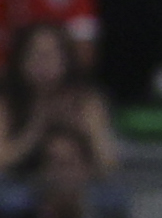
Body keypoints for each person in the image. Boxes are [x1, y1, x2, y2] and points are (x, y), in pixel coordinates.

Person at [2, 20, 119, 182]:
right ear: (20, 59)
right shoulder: (7, 103)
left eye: (51, 54)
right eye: (35, 53)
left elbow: (108, 162)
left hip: (78, 192)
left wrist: (83, 129)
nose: (42, 63)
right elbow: (3, 160)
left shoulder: (86, 101)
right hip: (18, 191)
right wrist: (35, 127)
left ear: (66, 59)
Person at [0, 118, 132, 218]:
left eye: (68, 164)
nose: (60, 174)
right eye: (53, 163)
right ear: (41, 171)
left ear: (86, 169)